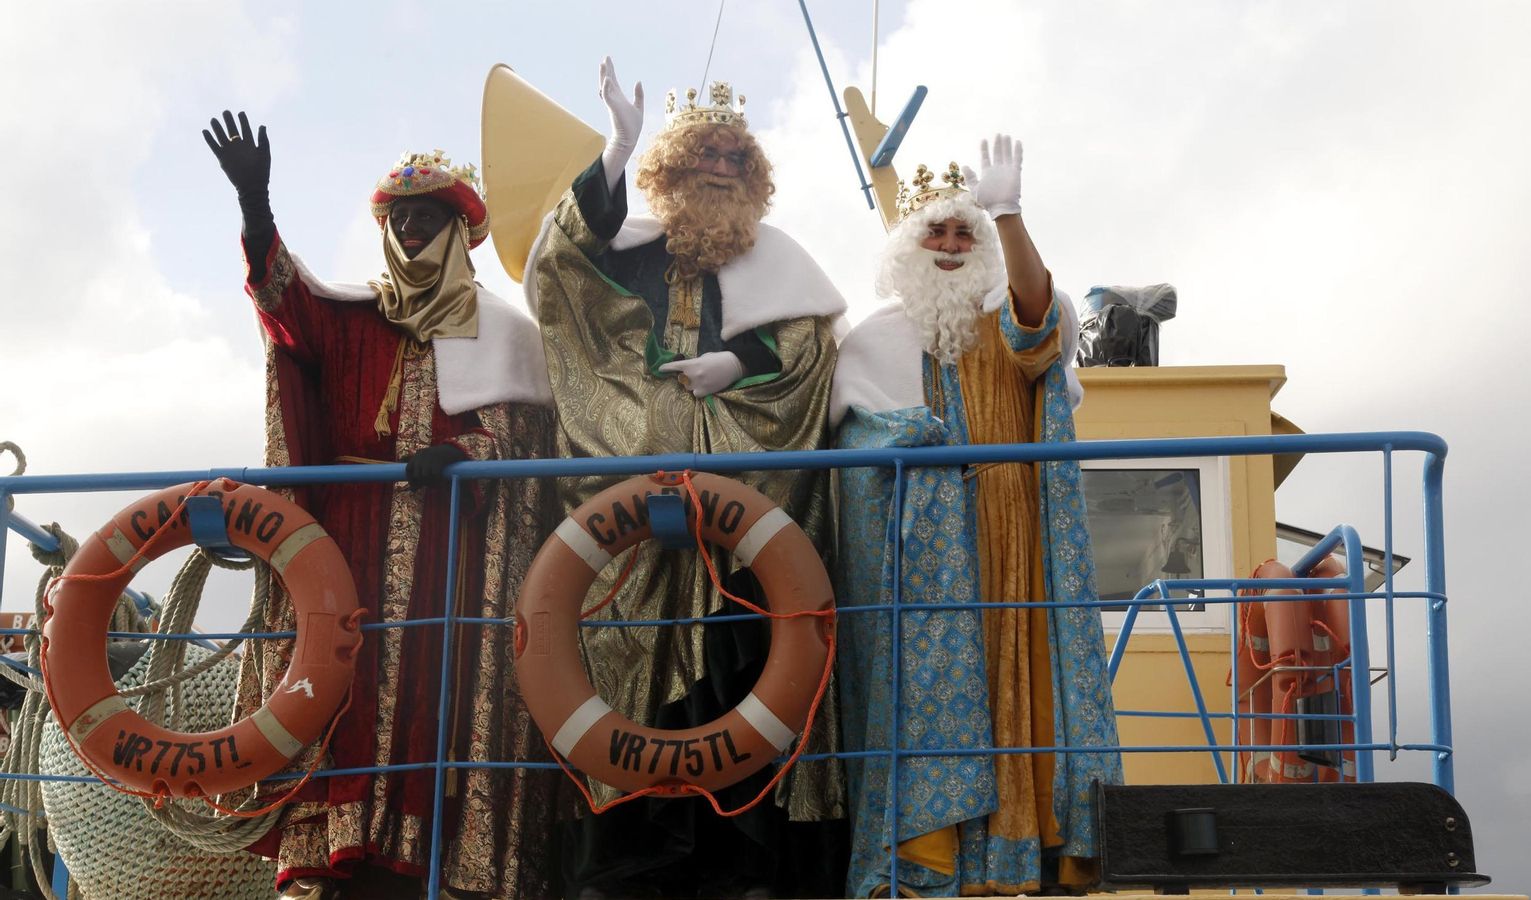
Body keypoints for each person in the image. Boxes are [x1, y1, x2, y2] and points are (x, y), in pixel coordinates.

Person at [203, 111, 559, 900]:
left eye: (424, 218)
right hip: (347, 538)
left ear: (456, 230)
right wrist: (255, 207)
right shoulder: (353, 312)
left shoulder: (504, 331)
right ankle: (341, 851)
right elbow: (284, 305)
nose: (408, 233)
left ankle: (435, 856)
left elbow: (528, 433)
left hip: (452, 551)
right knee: (342, 685)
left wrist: (468, 454)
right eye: (398, 220)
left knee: (442, 690)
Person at [523, 59, 848, 898]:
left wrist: (735, 363)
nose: (719, 167)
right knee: (624, 671)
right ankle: (629, 860)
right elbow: (561, 267)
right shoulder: (633, 250)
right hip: (623, 507)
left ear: (753, 177)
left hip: (741, 513)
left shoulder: (778, 263)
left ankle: (740, 863)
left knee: (740, 671)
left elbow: (807, 349)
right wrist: (615, 149)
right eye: (703, 153)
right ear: (671, 167)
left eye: (735, 158)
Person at [829, 138, 1123, 897]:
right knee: (931, 692)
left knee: (1022, 684)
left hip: (1014, 531)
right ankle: (935, 858)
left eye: (967, 234)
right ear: (909, 244)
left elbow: (1037, 326)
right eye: (938, 232)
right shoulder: (873, 338)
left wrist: (1009, 213)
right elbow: (854, 438)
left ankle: (1023, 852)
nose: (953, 248)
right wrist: (906, 439)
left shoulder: (1010, 312)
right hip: (924, 549)